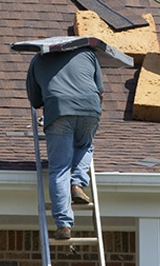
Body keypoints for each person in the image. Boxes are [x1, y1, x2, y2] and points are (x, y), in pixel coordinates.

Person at [26, 47, 103, 240]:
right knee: (84, 145)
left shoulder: (38, 59)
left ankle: (63, 225)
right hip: (90, 106)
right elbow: (100, 92)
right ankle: (77, 184)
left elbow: (35, 101)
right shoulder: (87, 53)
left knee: (60, 168)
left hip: (58, 108)